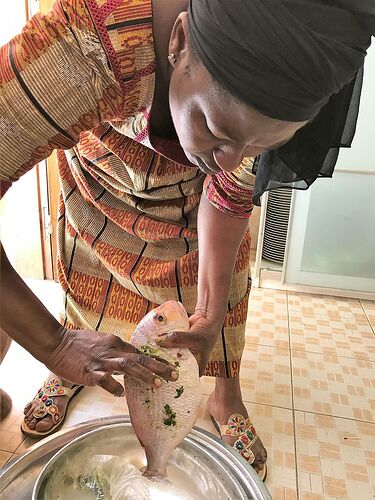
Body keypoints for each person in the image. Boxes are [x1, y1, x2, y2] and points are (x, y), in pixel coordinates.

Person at [0, 0, 373, 481]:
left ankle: (224, 394)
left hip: (193, 202)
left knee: (218, 296)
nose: (231, 159)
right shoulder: (85, 45)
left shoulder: (278, 96)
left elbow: (232, 189)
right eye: (218, 132)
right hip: (106, 171)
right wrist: (53, 345)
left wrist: (212, 310)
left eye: (263, 145)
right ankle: (66, 372)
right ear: (177, 41)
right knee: (89, 280)